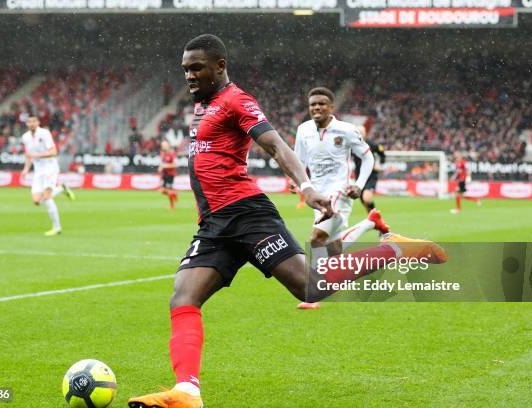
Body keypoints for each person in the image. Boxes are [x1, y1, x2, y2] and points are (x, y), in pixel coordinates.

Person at [127, 34, 446, 408]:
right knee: (183, 297)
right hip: (214, 225)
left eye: (197, 67)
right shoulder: (204, 105)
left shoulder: (236, 100)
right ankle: (187, 392)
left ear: (220, 66)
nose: (189, 76)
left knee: (309, 288)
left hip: (246, 214)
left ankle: (393, 249)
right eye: (185, 69)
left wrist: (306, 185)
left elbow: (276, 145)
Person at [293, 88, 390, 310]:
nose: (316, 108)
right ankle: (370, 222)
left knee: (317, 238)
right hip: (316, 194)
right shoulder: (303, 130)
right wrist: (297, 182)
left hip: (340, 192)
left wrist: (359, 185)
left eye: (321, 104)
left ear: (331, 107)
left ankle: (314, 293)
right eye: (312, 105)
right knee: (334, 248)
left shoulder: (346, 130)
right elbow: (298, 161)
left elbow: (367, 158)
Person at [21, 115, 75, 236]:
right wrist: (26, 169)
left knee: (47, 197)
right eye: (29, 122)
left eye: (34, 121)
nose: (31, 123)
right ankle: (62, 188)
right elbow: (29, 155)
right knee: (36, 201)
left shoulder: (44, 133)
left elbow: (53, 152)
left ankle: (57, 227)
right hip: (38, 170)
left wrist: (37, 155)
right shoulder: (25, 137)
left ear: (38, 122)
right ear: (27, 124)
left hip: (50, 168)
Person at [352, 125, 386, 213]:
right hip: (359, 176)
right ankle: (373, 219)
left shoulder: (372, 145)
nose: (360, 134)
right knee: (364, 202)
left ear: (365, 133)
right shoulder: (352, 146)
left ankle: (376, 218)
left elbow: (382, 155)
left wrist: (379, 164)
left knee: (366, 199)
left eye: (362, 132)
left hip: (371, 175)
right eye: (358, 132)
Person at [159, 140, 178, 210]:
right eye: (162, 145)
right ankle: (174, 194)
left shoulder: (171, 154)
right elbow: (163, 164)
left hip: (170, 175)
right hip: (165, 174)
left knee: (167, 190)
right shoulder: (163, 154)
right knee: (163, 191)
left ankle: (172, 206)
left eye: (164, 145)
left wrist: (164, 166)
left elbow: (174, 165)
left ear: (168, 146)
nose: (163, 146)